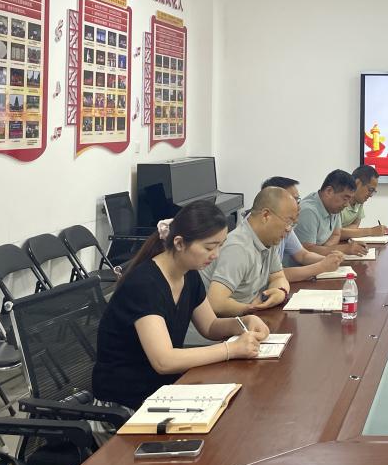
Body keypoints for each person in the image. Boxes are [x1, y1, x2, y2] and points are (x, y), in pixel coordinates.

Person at [93, 200, 268, 410]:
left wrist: (243, 323)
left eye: (220, 246)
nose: (216, 255)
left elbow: (210, 326)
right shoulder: (144, 284)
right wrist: (231, 349)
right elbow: (164, 361)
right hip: (123, 404)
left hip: (162, 390)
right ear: (179, 243)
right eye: (209, 247)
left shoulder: (189, 274)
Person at [185, 187, 342, 345]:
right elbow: (216, 302)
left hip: (242, 325)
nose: (289, 230)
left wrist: (280, 291)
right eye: (288, 222)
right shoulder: (239, 248)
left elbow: (278, 276)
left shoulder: (269, 240)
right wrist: (252, 308)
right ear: (266, 215)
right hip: (209, 340)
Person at [296, 169, 366, 257]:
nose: (346, 204)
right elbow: (306, 251)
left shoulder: (333, 207)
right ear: (329, 191)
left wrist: (326, 250)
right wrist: (344, 249)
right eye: (345, 198)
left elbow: (336, 234)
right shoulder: (308, 211)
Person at [338, 165, 388, 240]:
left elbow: (355, 225)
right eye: (370, 190)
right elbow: (334, 233)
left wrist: (345, 232)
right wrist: (371, 231)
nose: (371, 195)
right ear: (357, 183)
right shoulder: (338, 199)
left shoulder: (359, 201)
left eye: (373, 191)